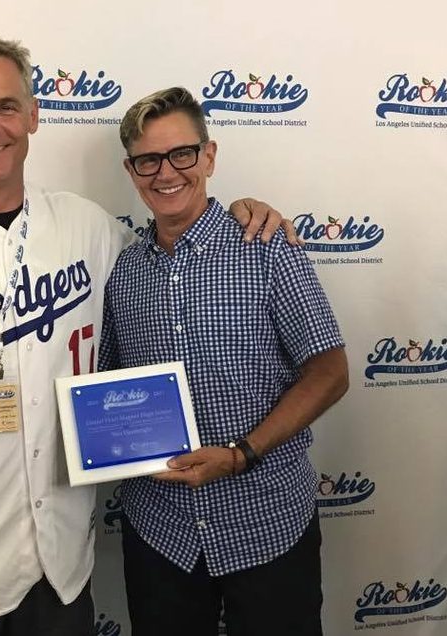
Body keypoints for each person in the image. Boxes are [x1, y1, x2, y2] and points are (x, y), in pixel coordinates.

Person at [0, 36, 293, 635]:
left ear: (34, 116)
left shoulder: (87, 228)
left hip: (61, 564)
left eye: (6, 106)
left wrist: (243, 212)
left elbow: (171, 243)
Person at [98, 86, 349, 636]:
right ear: (131, 170)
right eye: (148, 160)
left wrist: (241, 454)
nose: (166, 172)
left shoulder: (266, 245)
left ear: (208, 156)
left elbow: (330, 373)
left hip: (267, 522)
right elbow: (108, 390)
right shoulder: (123, 274)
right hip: (161, 533)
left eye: (182, 154)